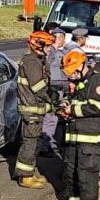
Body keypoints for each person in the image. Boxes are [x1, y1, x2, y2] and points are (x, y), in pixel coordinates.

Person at [58, 51, 100, 200]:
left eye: (74, 72)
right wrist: (66, 104)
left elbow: (97, 107)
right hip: (76, 136)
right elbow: (77, 101)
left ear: (82, 65)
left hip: (90, 138)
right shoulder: (82, 82)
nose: (72, 76)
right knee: (71, 173)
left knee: (86, 175)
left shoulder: (97, 81)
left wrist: (72, 110)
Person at [15, 31, 56, 189]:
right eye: (48, 46)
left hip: (36, 110)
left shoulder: (38, 60)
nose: (50, 50)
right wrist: (52, 100)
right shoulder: (31, 62)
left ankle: (29, 173)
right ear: (40, 45)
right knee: (30, 143)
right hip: (31, 111)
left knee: (35, 142)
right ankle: (25, 177)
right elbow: (38, 87)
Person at [40, 28, 67, 158]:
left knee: (54, 118)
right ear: (59, 38)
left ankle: (50, 143)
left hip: (59, 88)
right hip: (52, 88)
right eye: (63, 38)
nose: (64, 41)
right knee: (49, 118)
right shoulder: (50, 52)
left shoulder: (58, 52)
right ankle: (45, 146)